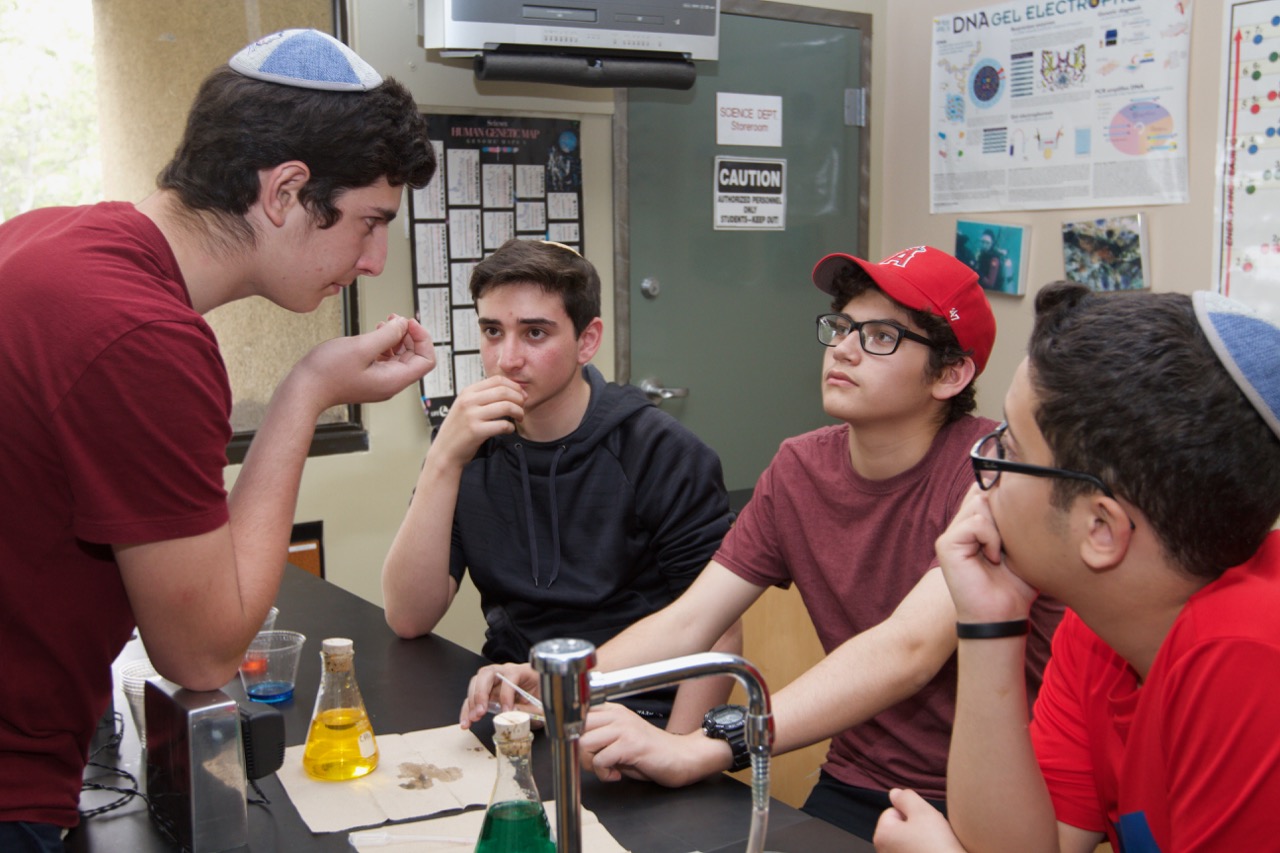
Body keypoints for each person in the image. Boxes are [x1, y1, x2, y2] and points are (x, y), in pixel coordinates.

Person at [0, 29, 438, 851]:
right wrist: (306, 392)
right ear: (285, 191)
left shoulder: (50, 240)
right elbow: (202, 650)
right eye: (369, 222)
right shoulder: (142, 334)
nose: (375, 260)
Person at [462, 245, 1064, 841]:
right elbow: (693, 618)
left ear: (952, 374)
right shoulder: (801, 467)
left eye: (882, 337)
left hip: (999, 799)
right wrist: (562, 680)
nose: (844, 349)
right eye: (842, 327)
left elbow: (907, 650)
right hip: (858, 778)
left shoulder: (995, 473)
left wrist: (704, 747)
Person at [872, 283, 1280, 852]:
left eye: (1011, 450)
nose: (985, 473)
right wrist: (988, 622)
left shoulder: (1250, 656)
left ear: (1101, 529)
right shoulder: (1105, 628)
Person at [382, 237, 737, 732]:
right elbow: (409, 617)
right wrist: (443, 459)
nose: (507, 359)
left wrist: (676, 752)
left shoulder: (661, 451)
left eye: (534, 333)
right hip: (517, 702)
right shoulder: (468, 445)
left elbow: (720, 633)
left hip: (635, 711)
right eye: (492, 331)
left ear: (587, 341)